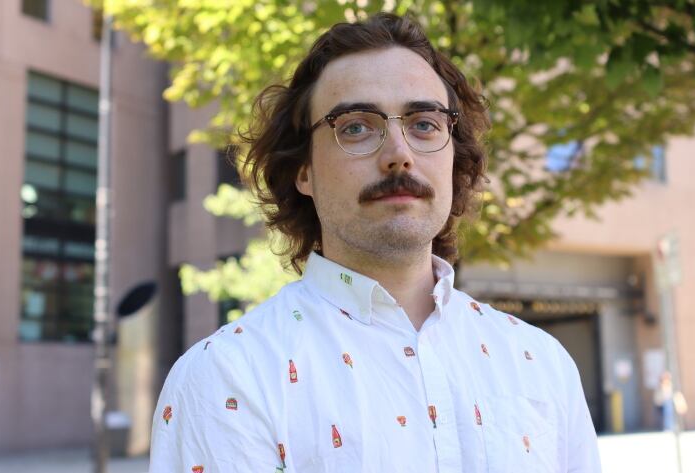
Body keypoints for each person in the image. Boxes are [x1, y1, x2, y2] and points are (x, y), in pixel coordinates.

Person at [150, 13, 601, 473]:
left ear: (454, 158)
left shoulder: (540, 361)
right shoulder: (227, 379)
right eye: (356, 127)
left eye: (424, 123)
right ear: (302, 170)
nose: (399, 154)